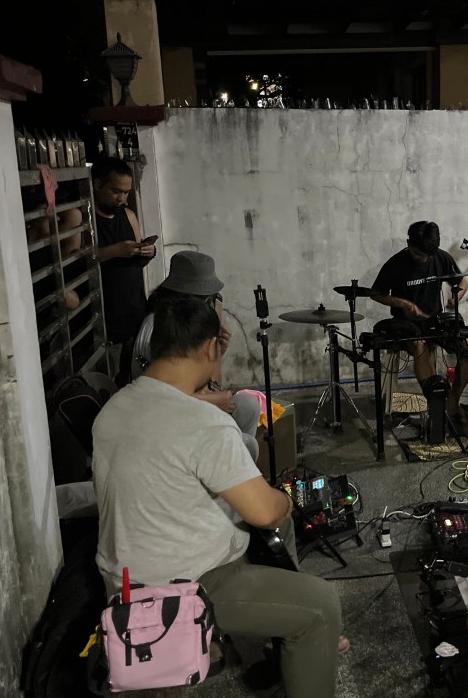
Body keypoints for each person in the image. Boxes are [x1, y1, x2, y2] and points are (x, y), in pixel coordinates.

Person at [93, 295, 343, 698]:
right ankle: (302, 634)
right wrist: (284, 500)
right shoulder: (203, 423)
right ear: (211, 347)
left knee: (274, 535)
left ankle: (281, 643)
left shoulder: (116, 407)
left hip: (122, 576)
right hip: (181, 587)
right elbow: (265, 512)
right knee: (321, 604)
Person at [134, 251, 261, 460]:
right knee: (246, 445)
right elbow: (160, 399)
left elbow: (206, 381)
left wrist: (217, 353)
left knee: (248, 405)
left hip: (191, 407)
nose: (210, 305)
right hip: (167, 422)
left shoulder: (187, 326)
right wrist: (211, 402)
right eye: (206, 298)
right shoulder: (157, 329)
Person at [370, 220, 468, 420]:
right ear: (409, 243)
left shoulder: (440, 257)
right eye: (419, 254)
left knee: (467, 348)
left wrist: (456, 297)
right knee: (419, 344)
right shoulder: (396, 263)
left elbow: (462, 281)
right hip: (406, 322)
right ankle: (436, 403)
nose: (423, 259)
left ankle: (452, 403)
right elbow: (376, 294)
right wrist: (402, 303)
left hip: (434, 320)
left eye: (427, 255)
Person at [92, 157, 155, 378]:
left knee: (133, 375)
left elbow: (138, 259)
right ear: (97, 184)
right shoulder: (86, 220)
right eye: (116, 191)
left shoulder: (128, 215)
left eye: (126, 192)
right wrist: (115, 250)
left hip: (133, 309)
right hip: (103, 318)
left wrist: (147, 252)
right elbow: (77, 262)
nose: (122, 198)